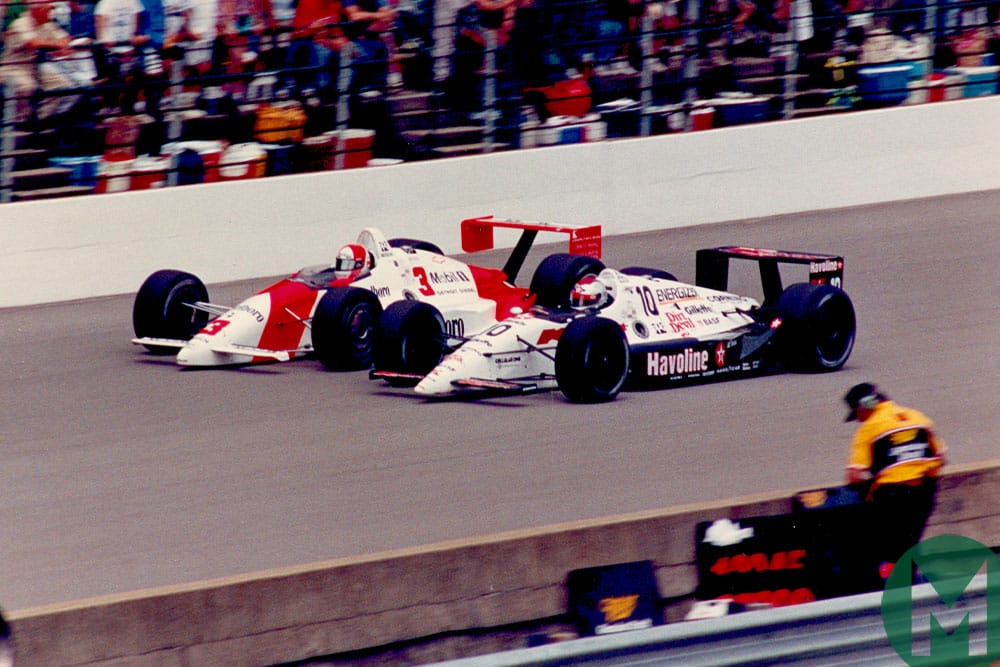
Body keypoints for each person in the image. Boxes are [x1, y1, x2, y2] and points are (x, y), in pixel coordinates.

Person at [844, 382, 947, 583]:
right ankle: (911, 584)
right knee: (909, 542)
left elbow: (854, 476)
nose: (858, 420)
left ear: (864, 406)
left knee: (885, 544)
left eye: (856, 414)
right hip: (924, 492)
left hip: (891, 496)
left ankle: (890, 583)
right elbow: (941, 457)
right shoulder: (917, 417)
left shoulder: (869, 428)